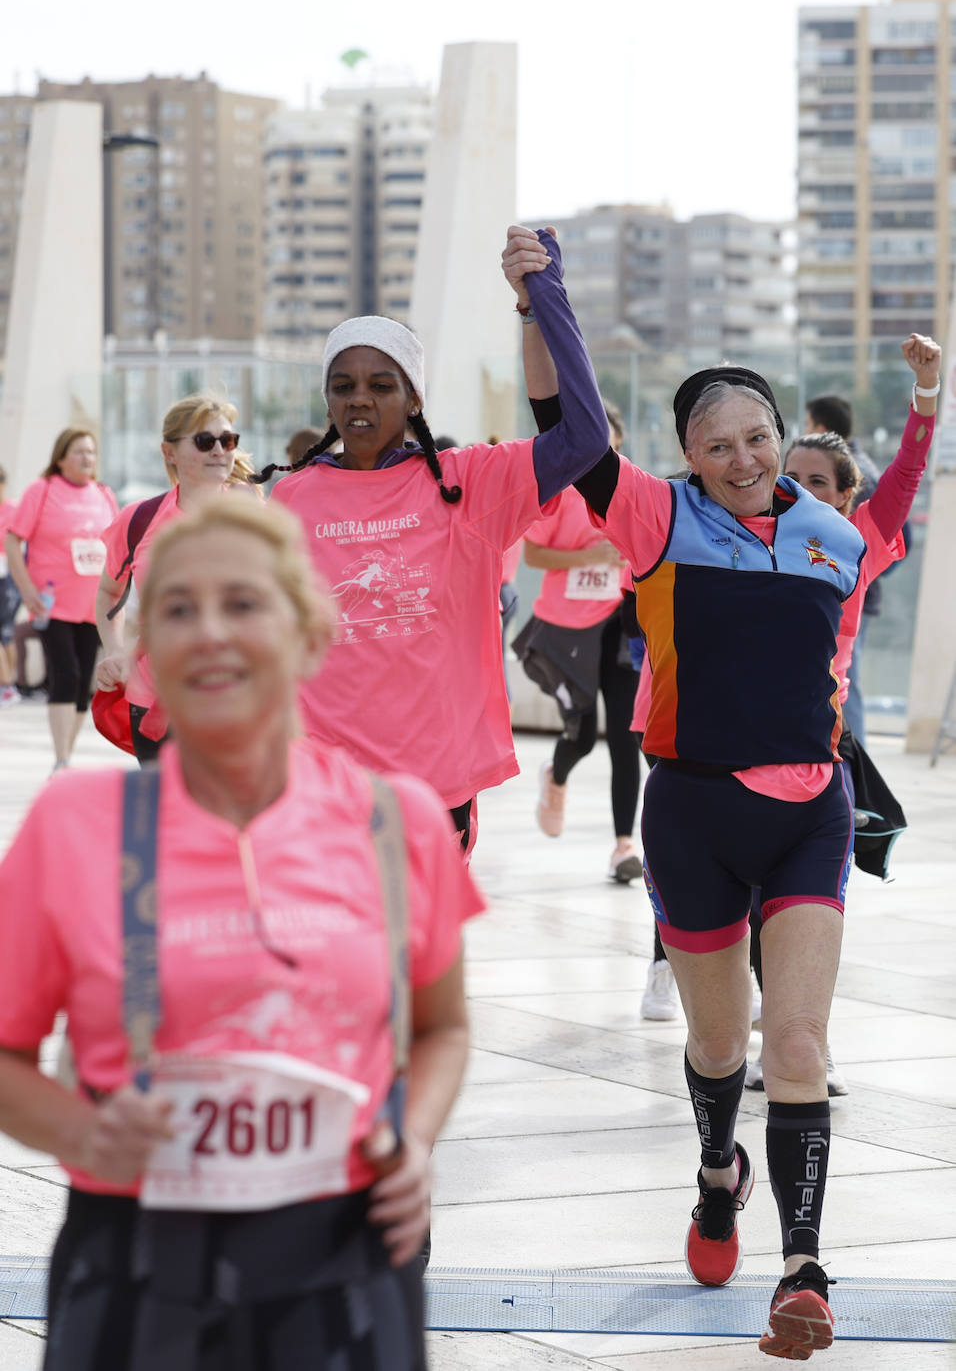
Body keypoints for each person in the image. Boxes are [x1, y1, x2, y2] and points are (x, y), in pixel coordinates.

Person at [511, 230, 897, 1358]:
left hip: (807, 813)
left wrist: (922, 413)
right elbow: (571, 431)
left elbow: (886, 529)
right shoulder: (654, 519)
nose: (738, 457)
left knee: (799, 1042)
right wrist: (545, 298)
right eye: (713, 442)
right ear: (684, 450)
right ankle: (715, 1172)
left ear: (783, 436)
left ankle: (802, 1270)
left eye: (756, 437)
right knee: (719, 1048)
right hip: (687, 813)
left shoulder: (829, 534)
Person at [0, 496, 482, 1370]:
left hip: (348, 1255)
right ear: (149, 652)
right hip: (138, 1258)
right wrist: (77, 1134)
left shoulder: (396, 821)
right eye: (177, 609)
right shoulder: (76, 823)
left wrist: (413, 1139)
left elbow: (443, 1026)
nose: (210, 632)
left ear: (308, 634)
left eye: (244, 603)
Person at [256, 225, 609, 854]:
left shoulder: (467, 482)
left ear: (414, 396)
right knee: (332, 951)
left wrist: (540, 301)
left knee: (415, 953)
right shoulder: (291, 497)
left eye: (381, 385)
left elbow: (582, 440)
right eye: (343, 387)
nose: (359, 401)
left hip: (431, 786)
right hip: (315, 784)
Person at [745, 333, 940, 1097]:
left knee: (812, 906)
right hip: (738, 744)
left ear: (847, 499)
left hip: (819, 748)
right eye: (788, 476)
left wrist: (926, 392)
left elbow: (909, 469)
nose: (797, 489)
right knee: (754, 905)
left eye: (817, 481)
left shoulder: (863, 540)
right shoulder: (746, 534)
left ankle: (804, 1041)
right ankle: (762, 1027)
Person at [515, 402, 642, 883]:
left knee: (629, 736)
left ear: (619, 446)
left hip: (619, 624)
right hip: (569, 628)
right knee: (584, 735)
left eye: (606, 444)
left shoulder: (632, 490)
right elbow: (533, 555)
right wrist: (587, 555)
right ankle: (557, 774)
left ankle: (623, 845)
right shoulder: (560, 493)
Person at [95, 394, 256, 763]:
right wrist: (116, 650)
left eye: (228, 441)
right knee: (166, 816)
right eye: (204, 441)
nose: (219, 451)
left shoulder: (253, 517)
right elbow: (108, 592)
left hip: (235, 697)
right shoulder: (138, 519)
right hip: (155, 701)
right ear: (169, 452)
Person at [4, 429, 119, 768]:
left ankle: (65, 756)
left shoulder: (104, 494)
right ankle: (62, 758)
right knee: (65, 674)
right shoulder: (42, 490)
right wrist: (26, 590)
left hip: (93, 606)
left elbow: (116, 546)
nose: (87, 458)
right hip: (50, 604)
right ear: (61, 457)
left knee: (84, 680)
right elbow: (13, 541)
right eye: (80, 451)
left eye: (91, 452)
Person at [805, 393, 883, 745]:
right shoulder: (856, 464)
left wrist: (862, 574)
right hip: (841, 591)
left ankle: (854, 759)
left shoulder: (859, 472)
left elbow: (899, 532)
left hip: (850, 598)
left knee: (844, 682)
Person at [0, 464, 20, 707]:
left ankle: (7, 685)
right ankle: (9, 686)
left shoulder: (14, 509)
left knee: (5, 632)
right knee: (5, 635)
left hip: (9, 578)